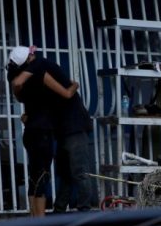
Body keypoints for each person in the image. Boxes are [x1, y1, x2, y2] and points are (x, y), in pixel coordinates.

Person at [8, 46, 96, 213]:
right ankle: (59, 210)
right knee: (65, 173)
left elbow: (66, 94)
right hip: (59, 127)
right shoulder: (34, 73)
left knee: (78, 171)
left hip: (73, 125)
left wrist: (74, 86)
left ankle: (84, 210)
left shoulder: (39, 64)